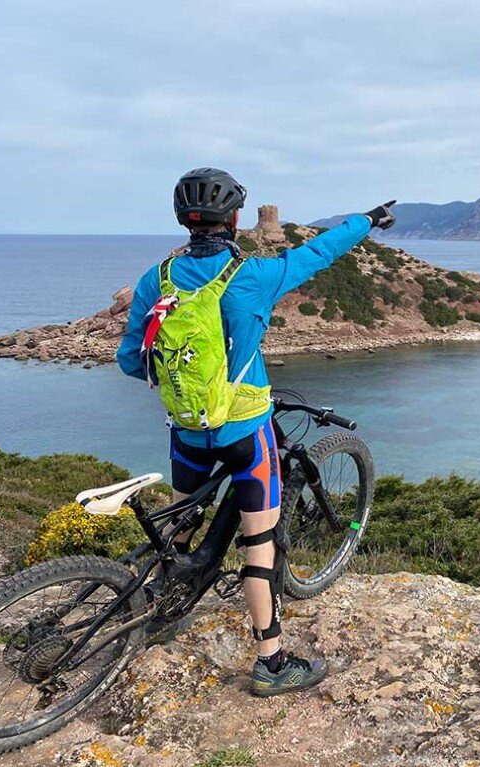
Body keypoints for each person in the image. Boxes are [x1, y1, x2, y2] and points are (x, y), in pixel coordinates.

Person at [117, 167, 395, 696]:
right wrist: (368, 220)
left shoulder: (158, 279)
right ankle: (271, 662)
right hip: (245, 430)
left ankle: (158, 609)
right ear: (237, 219)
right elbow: (317, 253)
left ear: (183, 218)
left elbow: (131, 360)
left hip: (188, 429)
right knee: (259, 544)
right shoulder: (254, 276)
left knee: (179, 525)